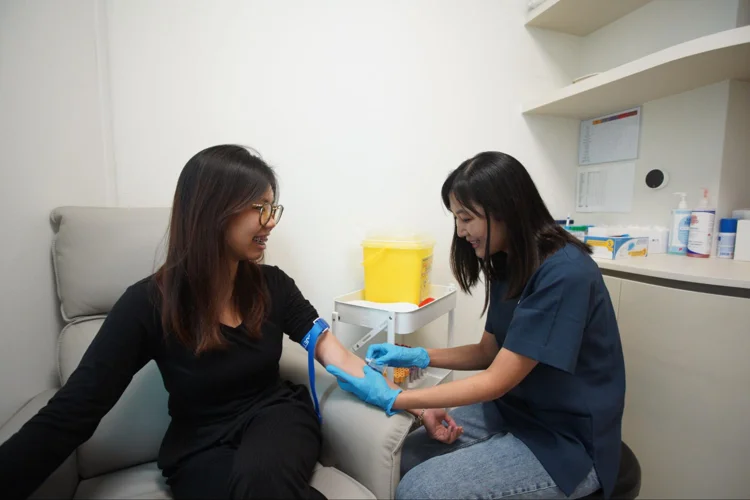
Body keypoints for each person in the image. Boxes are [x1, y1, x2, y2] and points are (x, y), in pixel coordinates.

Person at [0, 144, 452, 500]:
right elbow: (73, 411)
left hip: (276, 419)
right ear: (213, 211)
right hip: (197, 445)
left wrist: (415, 402)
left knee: (262, 482)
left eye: (273, 208)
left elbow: (337, 357)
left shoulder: (274, 287)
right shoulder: (147, 304)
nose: (270, 222)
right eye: (260, 207)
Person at [326, 152, 626, 499]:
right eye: (456, 218)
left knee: (420, 489)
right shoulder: (509, 261)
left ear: (507, 209)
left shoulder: (565, 274)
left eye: (466, 218)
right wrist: (417, 355)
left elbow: (496, 380)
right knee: (403, 457)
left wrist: (398, 397)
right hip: (514, 412)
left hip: (566, 441)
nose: (460, 231)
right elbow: (489, 351)